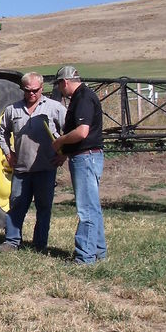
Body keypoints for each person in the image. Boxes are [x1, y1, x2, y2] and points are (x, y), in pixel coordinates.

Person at [0, 72, 66, 251]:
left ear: (42, 88)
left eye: (35, 90)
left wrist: (64, 154)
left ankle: (39, 244)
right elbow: (2, 133)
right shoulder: (13, 110)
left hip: (46, 168)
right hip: (21, 169)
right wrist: (8, 153)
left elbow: (69, 132)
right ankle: (11, 241)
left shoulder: (54, 108)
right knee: (16, 206)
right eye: (27, 90)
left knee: (44, 208)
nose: (32, 94)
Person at [52, 65, 107, 264]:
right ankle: (98, 251)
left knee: (86, 209)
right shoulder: (83, 96)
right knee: (93, 207)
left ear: (65, 82)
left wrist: (60, 141)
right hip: (86, 156)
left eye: (58, 84)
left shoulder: (83, 98)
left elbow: (82, 132)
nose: (59, 89)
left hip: (86, 158)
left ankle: (85, 257)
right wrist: (65, 154)